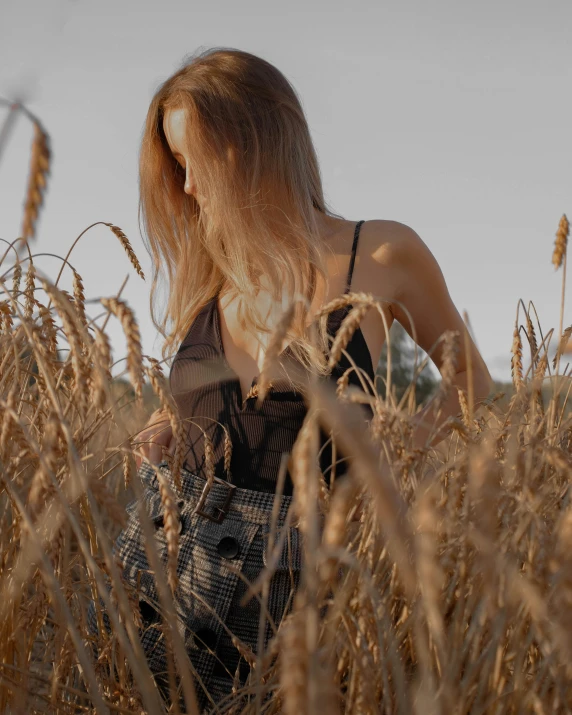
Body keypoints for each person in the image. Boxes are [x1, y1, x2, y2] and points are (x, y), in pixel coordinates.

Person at [106, 47, 494, 712]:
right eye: (176, 166)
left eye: (191, 157)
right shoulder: (211, 275)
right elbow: (213, 408)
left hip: (296, 590)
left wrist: (392, 457)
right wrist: (166, 424)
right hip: (162, 563)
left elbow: (470, 379)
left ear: (248, 142)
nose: (188, 185)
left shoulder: (380, 252)